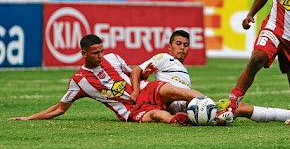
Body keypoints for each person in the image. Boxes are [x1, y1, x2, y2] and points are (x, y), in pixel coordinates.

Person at [9, 34, 207, 125]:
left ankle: (208, 106)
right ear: (84, 54)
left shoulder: (113, 58)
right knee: (157, 116)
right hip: (130, 110)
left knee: (174, 90)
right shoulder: (79, 81)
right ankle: (186, 121)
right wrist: (29, 118)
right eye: (96, 53)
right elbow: (59, 109)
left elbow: (132, 73)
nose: (101, 56)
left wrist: (137, 88)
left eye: (102, 51)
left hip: (146, 90)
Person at [132, 30, 290, 123]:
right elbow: (137, 71)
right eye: (178, 44)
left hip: (186, 104)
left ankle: (288, 115)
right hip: (174, 102)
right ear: (169, 47)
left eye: (186, 45)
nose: (182, 48)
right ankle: (215, 111)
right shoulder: (164, 58)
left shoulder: (181, 68)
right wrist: (135, 92)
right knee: (224, 107)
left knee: (238, 108)